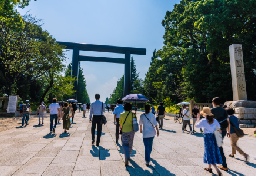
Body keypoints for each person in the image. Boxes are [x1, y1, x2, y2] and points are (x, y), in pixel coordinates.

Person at [196, 107, 222, 176]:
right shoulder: (215, 120)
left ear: (204, 114)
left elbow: (196, 126)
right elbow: (219, 128)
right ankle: (209, 167)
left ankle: (217, 169)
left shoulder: (203, 120)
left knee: (208, 152)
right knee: (212, 151)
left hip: (207, 137)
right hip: (213, 137)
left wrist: (198, 119)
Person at [211, 97, 229, 171]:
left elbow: (210, 121)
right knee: (218, 146)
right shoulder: (223, 110)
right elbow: (227, 120)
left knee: (219, 147)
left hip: (216, 130)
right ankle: (219, 162)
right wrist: (228, 130)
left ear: (213, 102)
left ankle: (224, 165)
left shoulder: (212, 110)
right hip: (223, 130)